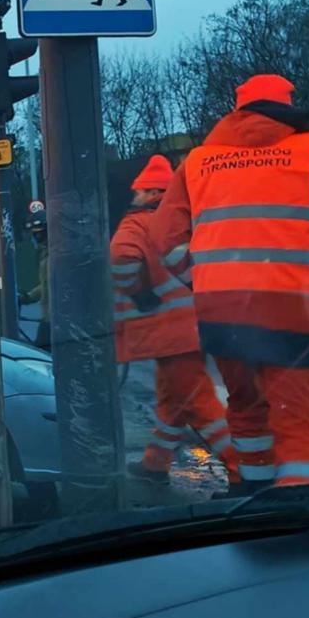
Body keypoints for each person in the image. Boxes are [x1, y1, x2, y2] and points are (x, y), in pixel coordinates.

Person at [150, 74, 309, 491]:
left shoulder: (197, 163)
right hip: (297, 311)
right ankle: (298, 517)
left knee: (247, 409)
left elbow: (164, 237)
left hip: (222, 312)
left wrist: (201, 279)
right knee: (300, 420)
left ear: (236, 112)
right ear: (288, 106)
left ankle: (252, 496)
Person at [113, 155, 239, 487]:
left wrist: (138, 291)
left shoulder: (136, 224)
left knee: (199, 404)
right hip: (194, 324)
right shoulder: (185, 222)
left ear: (151, 192)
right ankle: (155, 465)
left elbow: (121, 257)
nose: (134, 197)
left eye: (139, 192)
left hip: (165, 329)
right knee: (173, 401)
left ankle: (243, 469)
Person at [19, 200, 51, 350]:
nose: (35, 236)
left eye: (37, 233)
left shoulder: (53, 254)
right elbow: (46, 284)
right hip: (49, 317)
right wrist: (29, 297)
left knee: (42, 354)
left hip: (54, 318)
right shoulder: (45, 253)